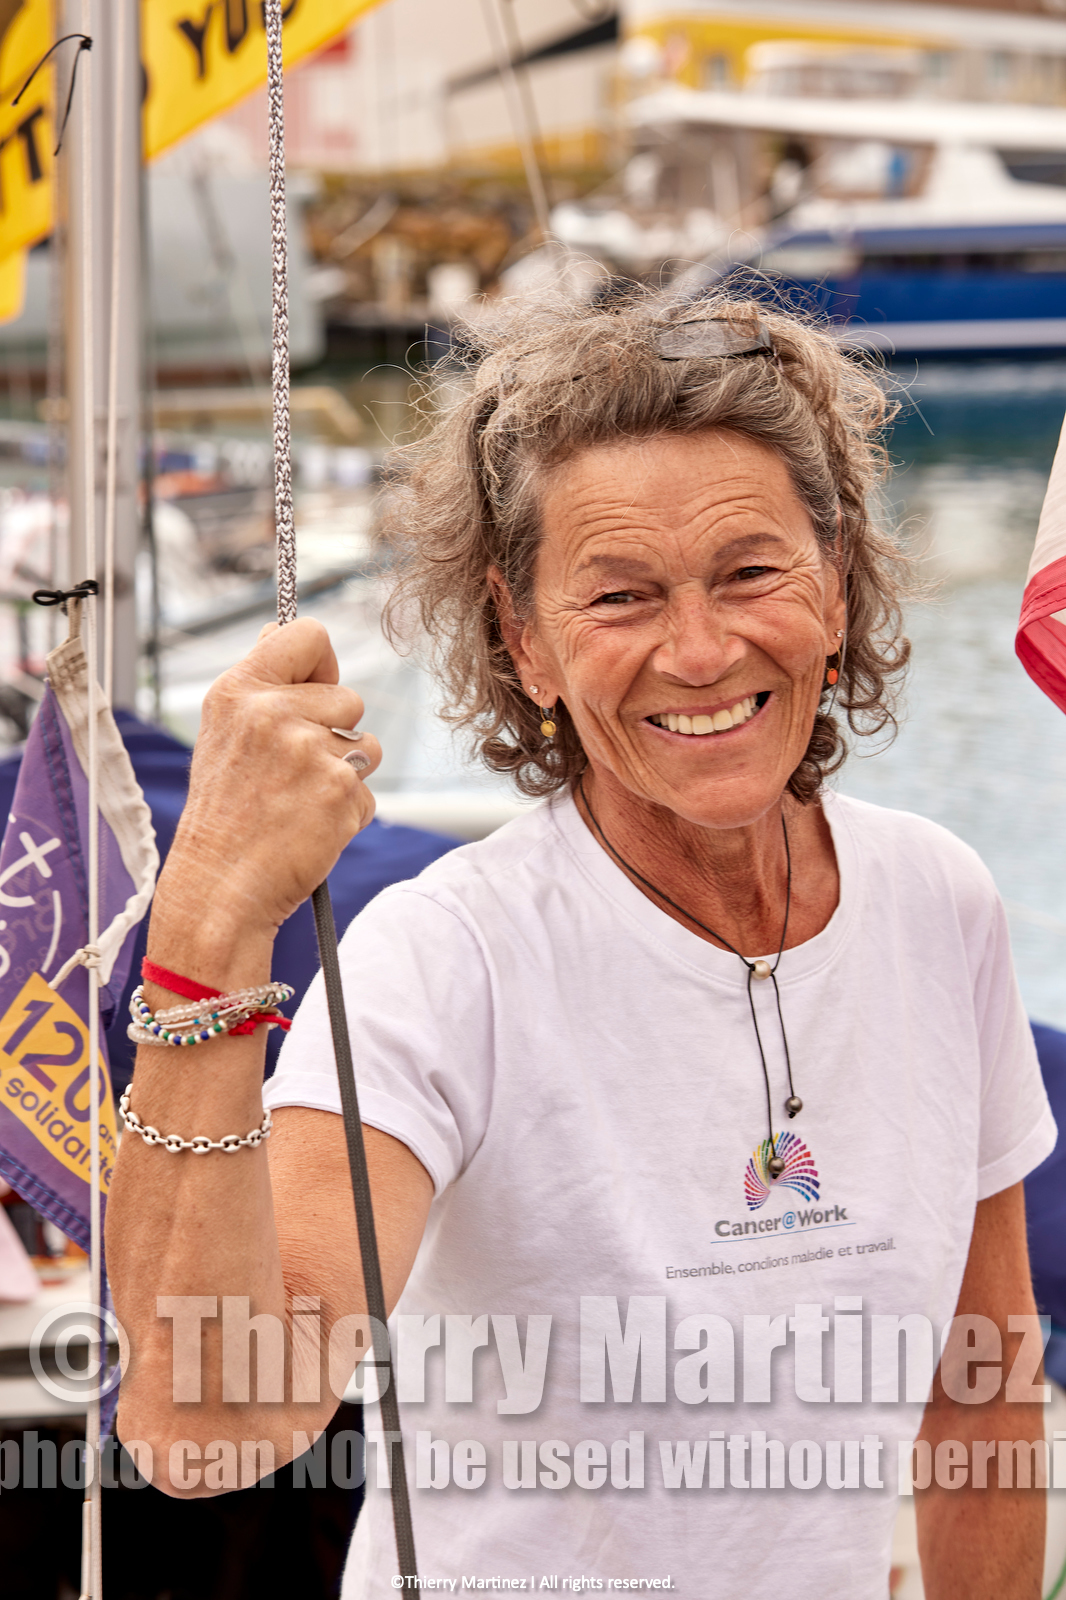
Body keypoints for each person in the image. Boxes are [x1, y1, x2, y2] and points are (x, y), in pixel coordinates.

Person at [107, 293, 1055, 1599]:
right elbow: (204, 1433)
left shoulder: (939, 904)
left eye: (749, 572)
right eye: (619, 595)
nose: (700, 649)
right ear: (524, 642)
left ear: (832, 589)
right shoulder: (445, 961)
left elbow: (980, 1395)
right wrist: (208, 923)